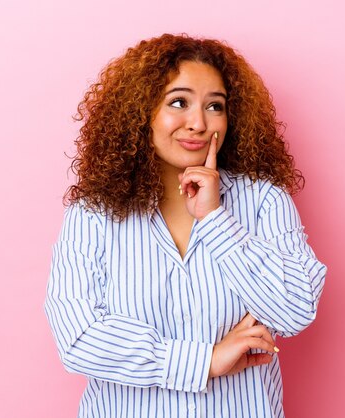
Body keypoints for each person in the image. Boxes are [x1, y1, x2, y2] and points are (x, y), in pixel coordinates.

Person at [44, 33, 327, 418]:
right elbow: (78, 339)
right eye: (179, 102)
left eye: (215, 106)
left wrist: (214, 220)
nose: (198, 122)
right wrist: (205, 361)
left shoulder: (263, 200)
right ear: (141, 111)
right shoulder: (94, 212)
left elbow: (294, 309)